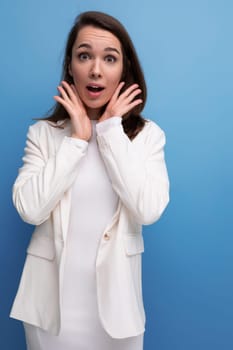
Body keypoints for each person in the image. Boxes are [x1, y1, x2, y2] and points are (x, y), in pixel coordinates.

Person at [10, 10, 169, 350]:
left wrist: (109, 131)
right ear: (71, 65)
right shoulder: (43, 134)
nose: (96, 69)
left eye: (109, 58)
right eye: (85, 56)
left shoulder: (147, 137)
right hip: (50, 313)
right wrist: (78, 141)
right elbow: (30, 209)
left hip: (118, 313)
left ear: (123, 68)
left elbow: (149, 209)